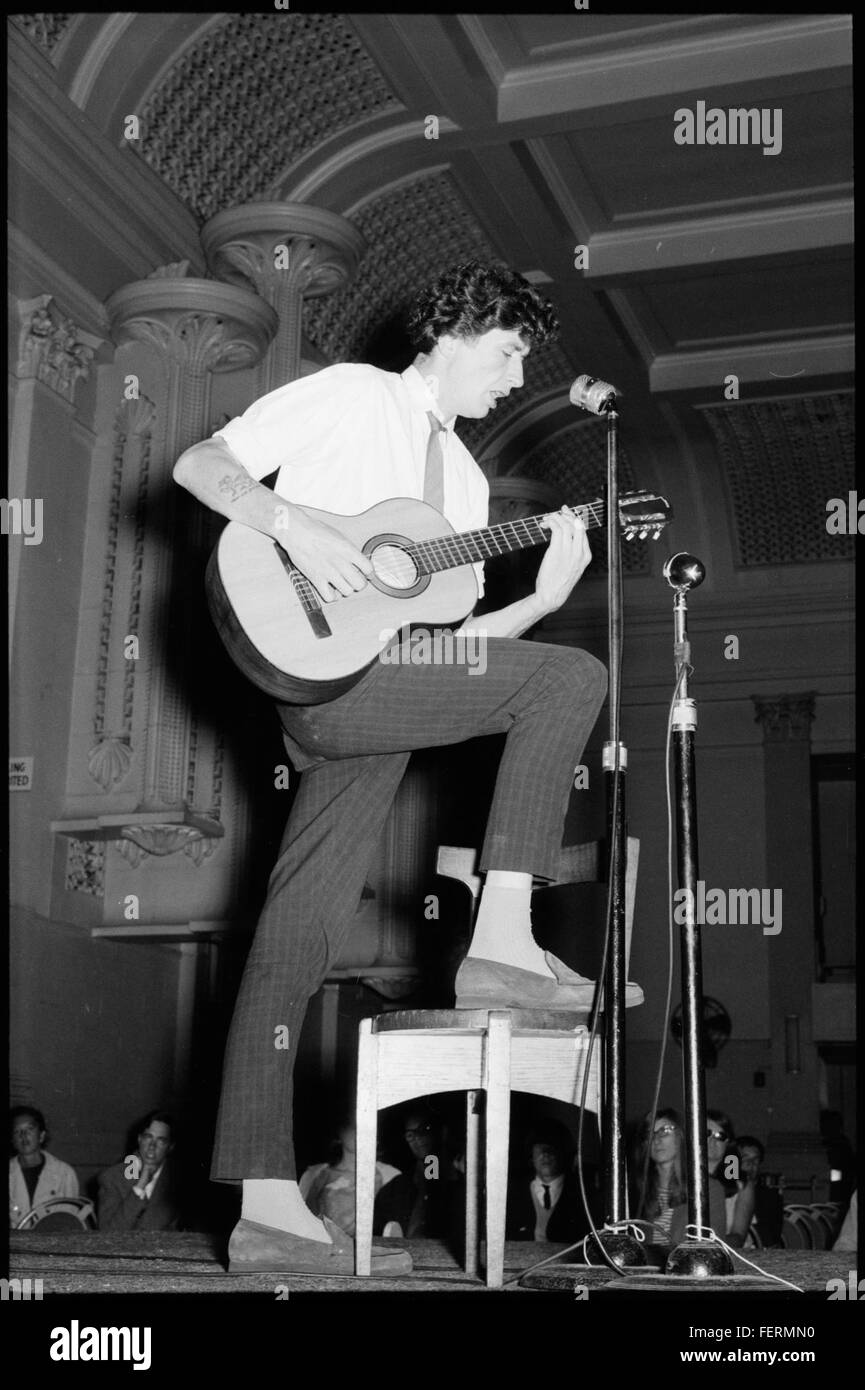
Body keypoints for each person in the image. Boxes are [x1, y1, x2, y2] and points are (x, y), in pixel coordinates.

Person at [174, 260, 609, 1276]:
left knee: (297, 922)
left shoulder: (461, 484)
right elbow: (203, 465)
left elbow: (449, 647)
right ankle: (500, 938)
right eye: (507, 352)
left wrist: (537, 607)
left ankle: (269, 1209)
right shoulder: (351, 394)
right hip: (302, 658)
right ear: (457, 327)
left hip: (380, 687)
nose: (512, 379)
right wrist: (300, 525)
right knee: (569, 682)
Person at [632, 1108, 726, 1246]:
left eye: (665, 1130)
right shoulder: (636, 1190)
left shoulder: (707, 1189)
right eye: (649, 1133)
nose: (656, 1139)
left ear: (681, 1136)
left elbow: (715, 1245)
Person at [374, 1105, 463, 1241]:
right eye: (410, 1134)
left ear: (443, 1132)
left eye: (425, 1129)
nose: (417, 1137)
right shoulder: (394, 1190)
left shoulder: (464, 1188)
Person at [300, 1119, 400, 1237]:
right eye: (351, 1125)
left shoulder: (390, 1174)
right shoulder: (314, 1174)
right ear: (339, 1131)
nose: (358, 1130)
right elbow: (298, 1218)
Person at [506, 1120, 592, 1244]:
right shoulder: (512, 1192)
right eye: (540, 1147)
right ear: (531, 1155)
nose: (545, 1154)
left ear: (565, 1153)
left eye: (553, 1147)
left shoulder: (583, 1194)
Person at [96, 1111, 182, 1232]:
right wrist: (139, 1187)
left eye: (161, 1140)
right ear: (139, 1139)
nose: (152, 1145)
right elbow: (108, 1232)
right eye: (148, 1137)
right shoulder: (113, 1178)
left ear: (170, 1147)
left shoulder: (178, 1182)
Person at [9, 1106, 79, 1228]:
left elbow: (72, 1221)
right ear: (12, 1140)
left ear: (41, 1135)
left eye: (29, 1129)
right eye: (17, 1131)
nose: (23, 1135)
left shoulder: (64, 1173)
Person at [706, 1109, 755, 1248]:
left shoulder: (741, 1184)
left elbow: (738, 1236)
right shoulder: (681, 1180)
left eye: (720, 1136)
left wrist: (706, 1247)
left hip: (732, 1255)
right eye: (706, 1133)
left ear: (728, 1142)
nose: (712, 1140)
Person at [736, 1134, 783, 1247]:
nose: (750, 1164)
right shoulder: (722, 1191)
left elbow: (771, 1237)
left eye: (755, 1160)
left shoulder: (769, 1197)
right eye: (745, 1158)